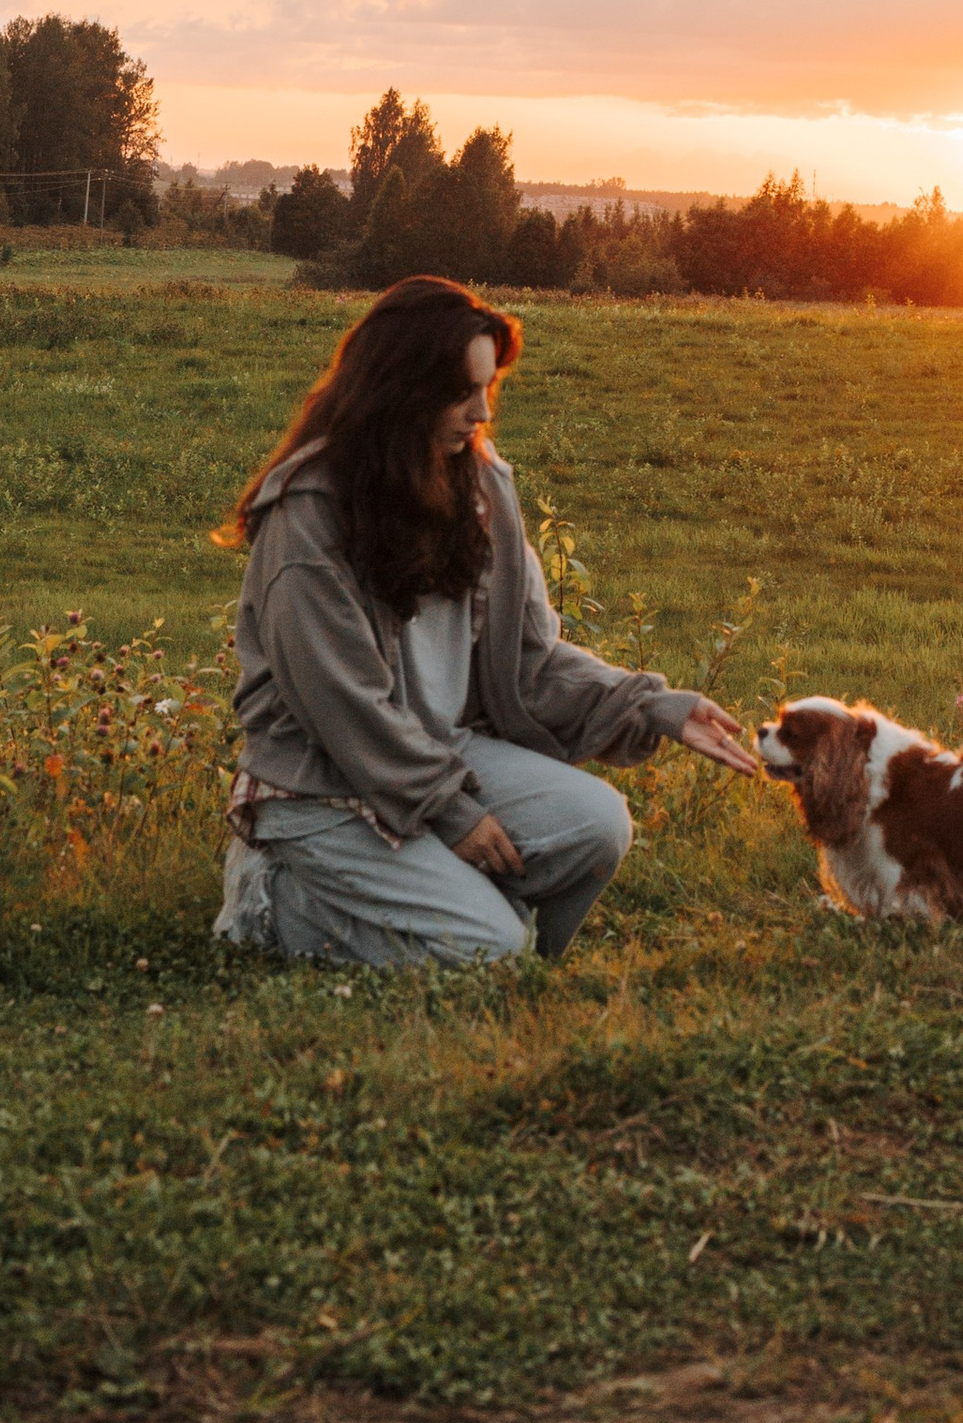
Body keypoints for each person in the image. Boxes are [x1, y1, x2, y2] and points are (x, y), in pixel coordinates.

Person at [210, 272, 759, 966]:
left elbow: (532, 659)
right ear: (399, 391)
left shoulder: (480, 485)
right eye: (462, 393)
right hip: (322, 783)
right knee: (490, 950)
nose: (482, 414)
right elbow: (344, 707)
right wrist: (453, 812)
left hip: (434, 751)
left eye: (488, 388)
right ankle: (279, 900)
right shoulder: (310, 512)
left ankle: (463, 920)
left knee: (595, 825)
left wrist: (652, 706)